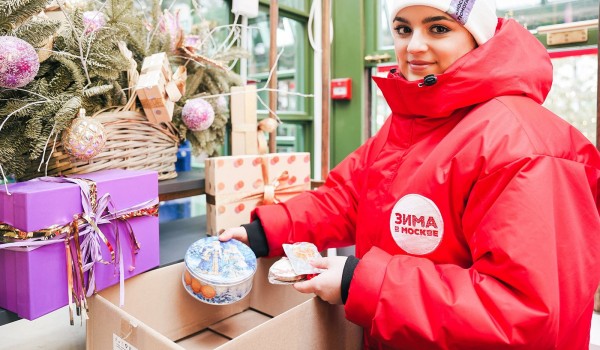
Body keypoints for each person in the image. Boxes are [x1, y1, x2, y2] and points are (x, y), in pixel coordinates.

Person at [220, 0, 600, 348]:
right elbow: (349, 198)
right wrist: (263, 232)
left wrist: (361, 282)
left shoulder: (524, 147)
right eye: (403, 29)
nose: (414, 46)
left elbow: (523, 313)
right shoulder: (414, 122)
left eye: (438, 29)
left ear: (478, 38)